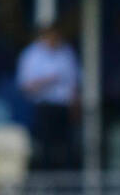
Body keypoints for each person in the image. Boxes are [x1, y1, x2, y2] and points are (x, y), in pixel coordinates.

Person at [16, 20, 80, 170]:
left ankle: (65, 183)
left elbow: (74, 83)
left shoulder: (66, 53)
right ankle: (46, 185)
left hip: (63, 107)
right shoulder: (32, 55)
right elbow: (26, 85)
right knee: (45, 148)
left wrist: (75, 106)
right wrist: (48, 80)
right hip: (43, 107)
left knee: (66, 148)